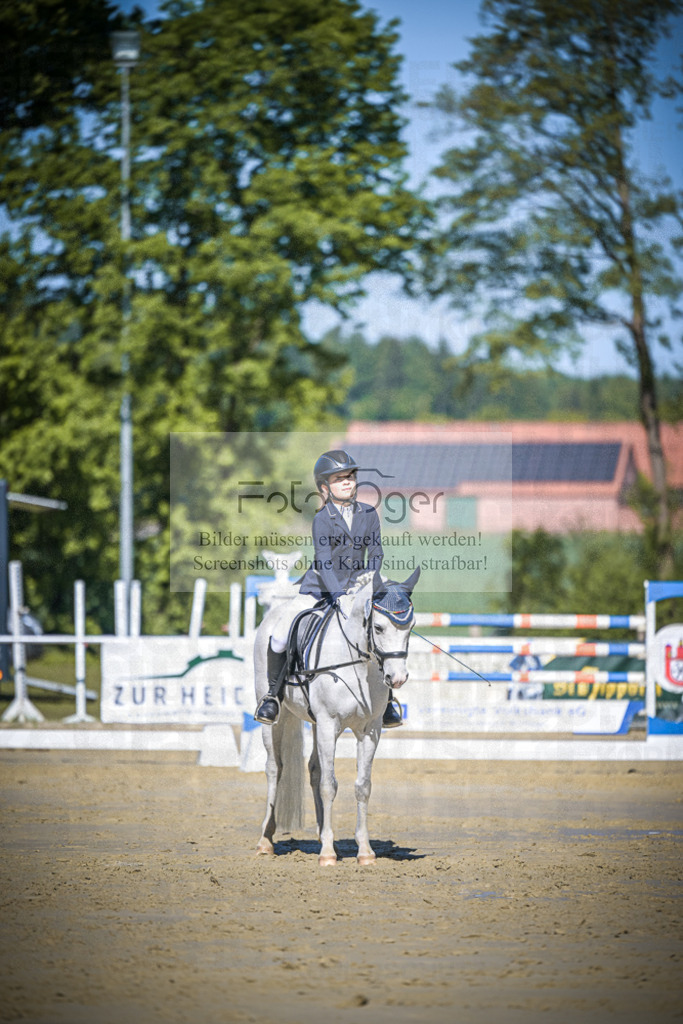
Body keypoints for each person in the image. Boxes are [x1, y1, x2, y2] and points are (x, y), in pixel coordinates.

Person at [254, 449, 403, 728]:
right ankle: (272, 697)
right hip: (320, 589)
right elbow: (323, 562)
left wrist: (371, 581)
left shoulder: (369, 514)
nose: (347, 482)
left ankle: (388, 702)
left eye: (350, 476)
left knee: (382, 627)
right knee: (281, 633)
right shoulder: (322, 519)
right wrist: (338, 597)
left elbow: (377, 552)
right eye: (339, 478)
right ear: (325, 487)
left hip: (360, 587)